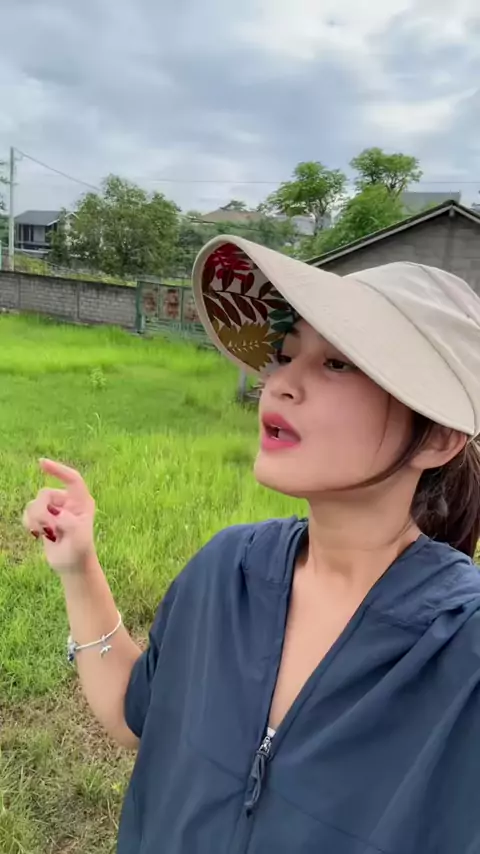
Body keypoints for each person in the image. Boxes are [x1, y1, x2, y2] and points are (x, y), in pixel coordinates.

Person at [23, 236, 480, 854]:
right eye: (285, 355)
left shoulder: (462, 653)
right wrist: (79, 565)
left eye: (337, 363)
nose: (280, 382)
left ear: (439, 438)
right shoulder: (228, 569)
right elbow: (140, 716)